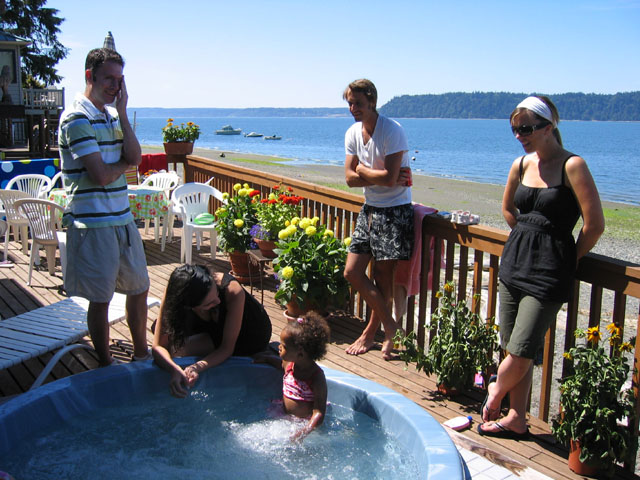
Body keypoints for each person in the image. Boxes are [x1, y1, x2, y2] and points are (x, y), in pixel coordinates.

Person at [478, 96, 604, 439]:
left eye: (526, 129)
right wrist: (526, 236)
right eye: (515, 129)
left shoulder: (572, 165)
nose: (520, 135)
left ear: (549, 128)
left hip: (549, 272)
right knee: (512, 345)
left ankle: (495, 391)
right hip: (514, 265)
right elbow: (508, 209)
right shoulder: (520, 164)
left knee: (521, 349)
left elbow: (594, 224)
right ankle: (517, 417)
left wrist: (568, 258)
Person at [58, 48, 149, 366]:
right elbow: (99, 175)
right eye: (109, 78)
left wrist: (122, 112)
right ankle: (106, 362)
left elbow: (136, 158)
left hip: (122, 220)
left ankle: (141, 353)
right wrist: (124, 164)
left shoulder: (111, 115)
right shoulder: (76, 118)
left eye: (119, 79)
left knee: (139, 288)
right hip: (93, 225)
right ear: (90, 76)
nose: (115, 85)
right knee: (101, 298)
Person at [342, 78, 413, 360]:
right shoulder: (352, 133)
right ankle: (390, 325)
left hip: (395, 210)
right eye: (350, 103)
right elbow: (349, 179)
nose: (353, 108)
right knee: (352, 272)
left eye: (358, 103)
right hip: (370, 208)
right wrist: (379, 177)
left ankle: (372, 332)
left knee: (383, 277)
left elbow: (389, 178)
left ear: (372, 101)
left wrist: (363, 170)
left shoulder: (392, 130)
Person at [152, 264, 273, 398]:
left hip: (248, 335)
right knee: (166, 339)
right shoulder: (176, 292)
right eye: (208, 304)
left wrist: (197, 367)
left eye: (216, 293)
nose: (218, 301)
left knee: (176, 349)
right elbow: (158, 346)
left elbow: (226, 348)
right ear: (190, 306)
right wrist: (174, 370)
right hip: (210, 329)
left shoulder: (232, 291)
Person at [254, 312, 329, 441]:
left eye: (284, 346)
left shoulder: (316, 378)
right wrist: (266, 359)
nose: (279, 347)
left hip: (303, 423)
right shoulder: (289, 364)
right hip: (284, 415)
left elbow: (319, 412)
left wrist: (304, 431)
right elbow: (279, 363)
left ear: (300, 353)